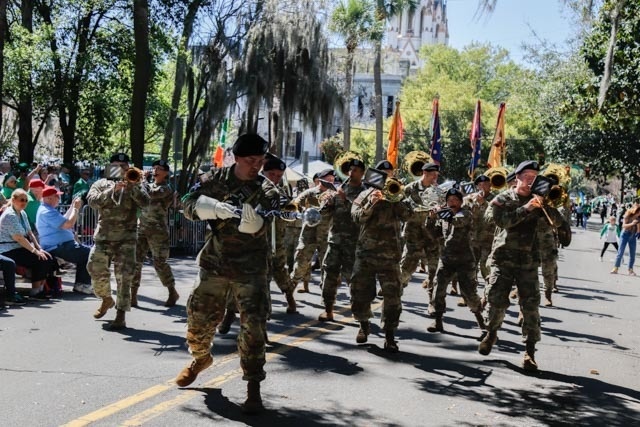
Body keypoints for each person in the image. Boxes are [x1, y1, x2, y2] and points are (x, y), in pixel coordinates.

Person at [174, 134, 278, 414]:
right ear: (236, 157)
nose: (257, 165)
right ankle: (200, 359)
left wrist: (258, 222)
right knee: (198, 322)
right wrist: (210, 209)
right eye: (251, 160)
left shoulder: (267, 189)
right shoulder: (214, 181)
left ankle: (253, 387)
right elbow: (186, 204)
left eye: (260, 160)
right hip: (215, 264)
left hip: (251, 269)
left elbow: (272, 213)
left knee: (254, 328)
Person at [478, 160, 564, 371]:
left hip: (528, 263)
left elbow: (557, 224)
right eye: (526, 176)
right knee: (496, 302)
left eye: (534, 176)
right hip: (503, 260)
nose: (530, 180)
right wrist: (526, 208)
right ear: (517, 177)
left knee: (530, 308)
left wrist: (546, 206)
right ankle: (491, 333)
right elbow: (500, 221)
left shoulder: (541, 202)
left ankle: (529, 352)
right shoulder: (504, 198)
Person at [350, 162, 412, 352]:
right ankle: (363, 324)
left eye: (389, 173)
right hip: (366, 252)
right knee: (360, 292)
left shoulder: (398, 193)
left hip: (391, 254)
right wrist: (371, 202)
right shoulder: (364, 194)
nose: (386, 178)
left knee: (393, 296)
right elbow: (356, 217)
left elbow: (408, 215)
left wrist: (396, 199)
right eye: (382, 174)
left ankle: (390, 335)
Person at [86, 153, 150, 329]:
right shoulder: (101, 184)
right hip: (104, 237)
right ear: (109, 167)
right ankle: (106, 298)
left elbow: (145, 202)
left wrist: (133, 185)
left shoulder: (136, 182)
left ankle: (121, 314)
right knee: (93, 268)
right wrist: (113, 190)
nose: (120, 168)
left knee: (124, 277)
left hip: (126, 238)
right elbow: (92, 201)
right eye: (116, 165)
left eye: (123, 165)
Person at [427, 187, 485, 333]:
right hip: (447, 259)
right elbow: (434, 234)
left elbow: (457, 221)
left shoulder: (465, 214)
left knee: (469, 293)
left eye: (455, 200)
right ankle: (437, 320)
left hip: (465, 260)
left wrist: (442, 214)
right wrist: (431, 218)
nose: (452, 203)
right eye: (449, 201)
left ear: (460, 202)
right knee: (438, 288)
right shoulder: (444, 217)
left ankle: (479, 317)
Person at [318, 158, 366, 321]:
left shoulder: (365, 192)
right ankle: (328, 308)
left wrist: (345, 200)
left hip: (353, 243)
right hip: (335, 240)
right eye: (350, 170)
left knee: (352, 277)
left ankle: (357, 310)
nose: (352, 173)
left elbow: (361, 214)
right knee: (329, 273)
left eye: (356, 170)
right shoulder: (339, 189)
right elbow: (324, 214)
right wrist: (327, 202)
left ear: (362, 173)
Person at [131, 159, 179, 308]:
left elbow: (151, 194)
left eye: (159, 168)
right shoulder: (147, 185)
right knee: (135, 261)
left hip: (158, 230)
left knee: (159, 263)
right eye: (154, 168)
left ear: (165, 173)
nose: (155, 171)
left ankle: (172, 291)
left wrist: (143, 180)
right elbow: (138, 197)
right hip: (142, 228)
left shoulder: (166, 189)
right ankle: (133, 295)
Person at [0, 189, 57, 300]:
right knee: (38, 258)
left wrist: (39, 248)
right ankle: (35, 291)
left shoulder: (22, 213)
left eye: (26, 200)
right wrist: (35, 251)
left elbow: (30, 233)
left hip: (18, 247)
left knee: (47, 256)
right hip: (7, 249)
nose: (24, 202)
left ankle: (40, 289)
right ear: (13, 200)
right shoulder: (10, 215)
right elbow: (19, 238)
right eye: (21, 200)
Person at [36, 186, 93, 295]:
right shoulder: (47, 212)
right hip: (58, 246)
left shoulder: (48, 209)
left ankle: (82, 283)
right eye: (56, 196)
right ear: (48, 198)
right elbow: (68, 224)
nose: (59, 198)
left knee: (86, 253)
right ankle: (82, 284)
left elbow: (64, 219)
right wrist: (76, 209)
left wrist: (72, 206)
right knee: (88, 254)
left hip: (61, 245)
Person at [289, 168, 335, 293]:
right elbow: (296, 203)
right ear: (321, 179)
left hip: (325, 236)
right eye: (328, 179)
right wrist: (298, 211)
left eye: (332, 179)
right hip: (308, 235)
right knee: (300, 263)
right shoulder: (310, 193)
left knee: (327, 267)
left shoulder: (334, 195)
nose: (331, 181)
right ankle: (290, 295)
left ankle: (326, 301)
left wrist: (333, 202)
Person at [400, 162, 443, 291]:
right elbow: (400, 207)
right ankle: (398, 287)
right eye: (432, 175)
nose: (435, 177)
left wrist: (438, 211)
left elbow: (444, 210)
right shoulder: (409, 188)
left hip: (432, 235)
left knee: (434, 269)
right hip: (413, 233)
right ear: (424, 173)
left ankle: (432, 300)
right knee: (407, 265)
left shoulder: (439, 191)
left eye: (436, 175)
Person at [611, 203, 640, 275]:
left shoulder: (638, 218)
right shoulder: (627, 215)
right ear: (636, 211)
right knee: (620, 252)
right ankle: (615, 268)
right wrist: (632, 224)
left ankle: (630, 269)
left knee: (632, 254)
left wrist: (638, 229)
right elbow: (624, 226)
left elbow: (638, 229)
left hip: (633, 235)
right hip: (625, 234)